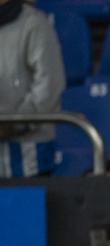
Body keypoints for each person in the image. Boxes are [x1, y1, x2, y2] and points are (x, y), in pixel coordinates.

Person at [0, 0, 64, 177]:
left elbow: (49, 85)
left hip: (30, 154)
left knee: (25, 202)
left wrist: (14, 123)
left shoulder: (34, 24)